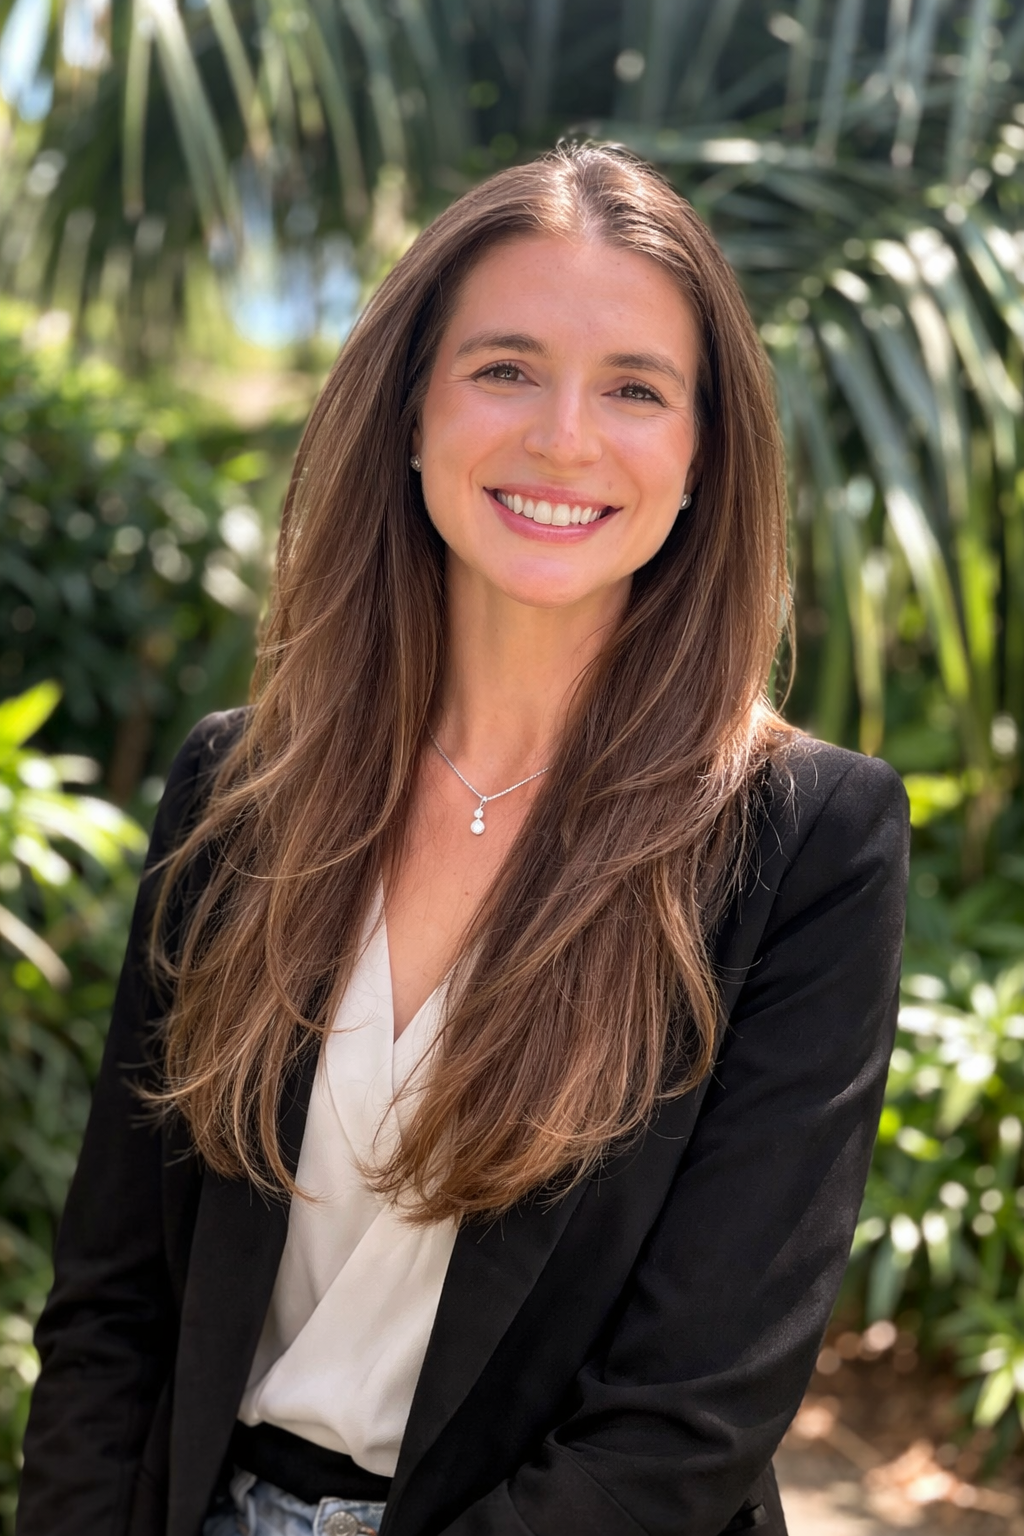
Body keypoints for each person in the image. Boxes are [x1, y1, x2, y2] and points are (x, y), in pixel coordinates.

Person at [17, 143, 908, 1536]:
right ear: (413, 412)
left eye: (634, 388)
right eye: (504, 367)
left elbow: (688, 1418)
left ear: (699, 458)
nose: (565, 436)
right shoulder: (239, 790)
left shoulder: (804, 844)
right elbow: (112, 1310)